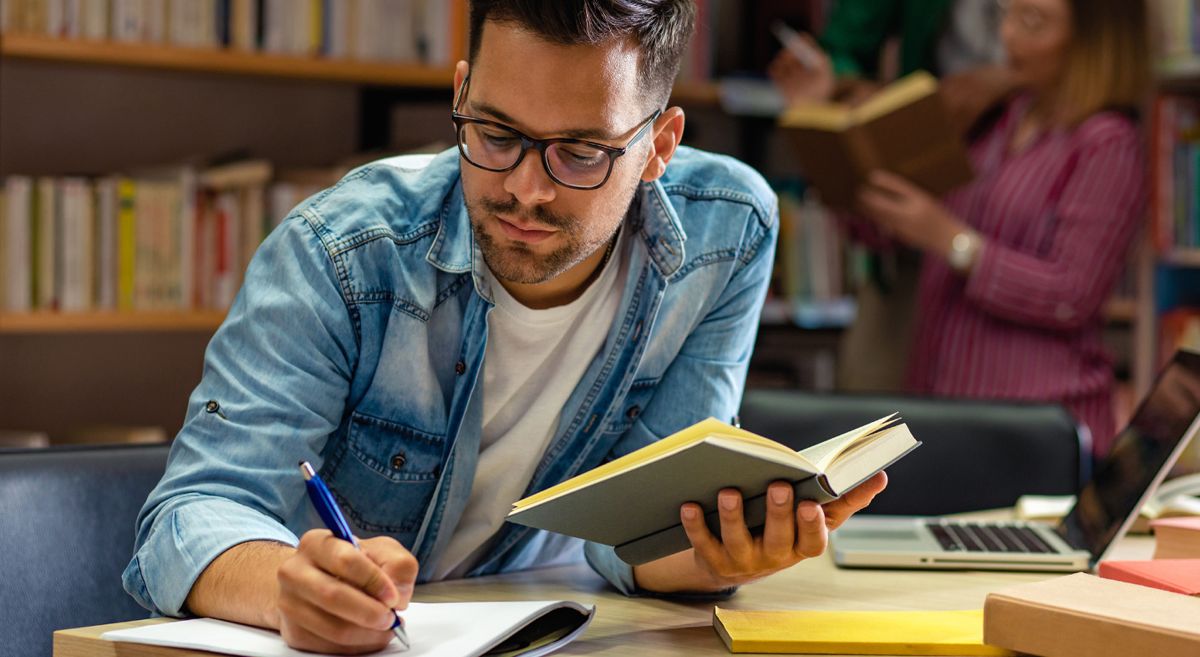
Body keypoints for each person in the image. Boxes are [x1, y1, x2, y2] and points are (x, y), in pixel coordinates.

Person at [122, 1, 887, 654]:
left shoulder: (727, 233)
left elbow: (635, 535)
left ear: (659, 146)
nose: (526, 188)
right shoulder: (342, 252)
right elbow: (185, 519)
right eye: (494, 133)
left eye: (580, 153)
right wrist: (287, 589)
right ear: (460, 90)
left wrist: (716, 553)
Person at [823, 0, 1149, 456]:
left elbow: (1073, 295)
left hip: (1034, 427)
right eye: (1005, 16)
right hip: (944, 410)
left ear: (1094, 40)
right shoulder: (994, 120)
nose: (1009, 37)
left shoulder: (1108, 142)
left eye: (1033, 22)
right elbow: (899, 231)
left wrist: (952, 242)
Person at [769, 0, 1017, 394]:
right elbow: (844, 47)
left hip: (992, 218)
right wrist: (850, 88)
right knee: (874, 392)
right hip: (917, 190)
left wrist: (1009, 80)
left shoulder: (1091, 141)